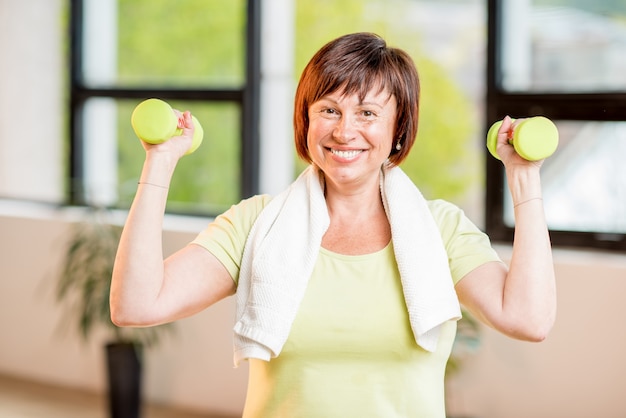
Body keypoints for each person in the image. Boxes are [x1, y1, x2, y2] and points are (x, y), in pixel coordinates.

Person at [111, 32, 556, 417]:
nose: (344, 132)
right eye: (328, 110)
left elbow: (528, 319)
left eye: (367, 113)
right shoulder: (257, 223)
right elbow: (137, 305)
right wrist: (160, 161)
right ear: (305, 119)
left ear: (398, 128)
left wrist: (523, 176)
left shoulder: (439, 230)